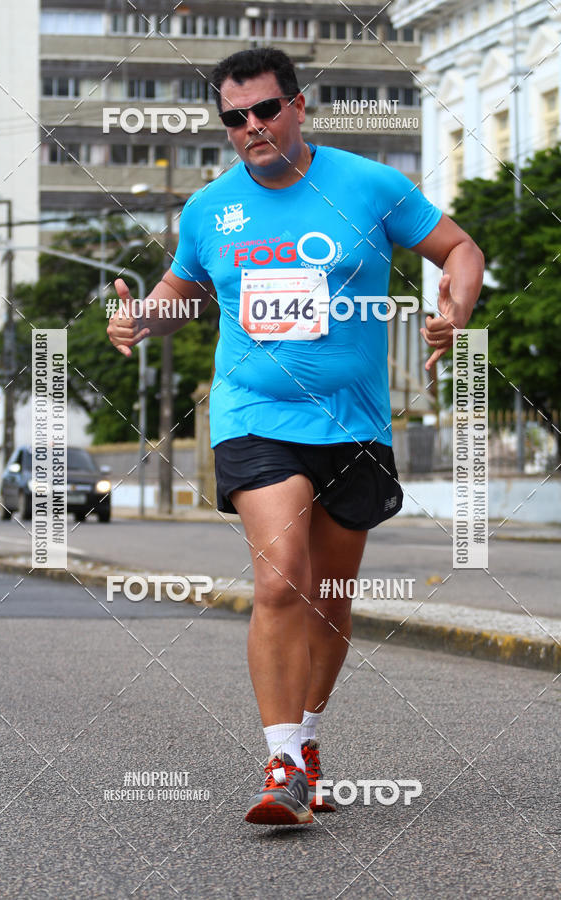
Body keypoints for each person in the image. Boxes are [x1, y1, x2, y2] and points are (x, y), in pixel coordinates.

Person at [107, 47, 484, 826]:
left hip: (353, 423)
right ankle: (280, 762)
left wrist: (457, 309)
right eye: (234, 119)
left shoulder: (369, 185)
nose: (251, 128)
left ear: (298, 105)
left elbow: (459, 248)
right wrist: (141, 318)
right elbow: (186, 284)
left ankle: (308, 738)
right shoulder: (210, 209)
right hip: (252, 415)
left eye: (264, 110)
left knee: (330, 600)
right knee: (282, 579)